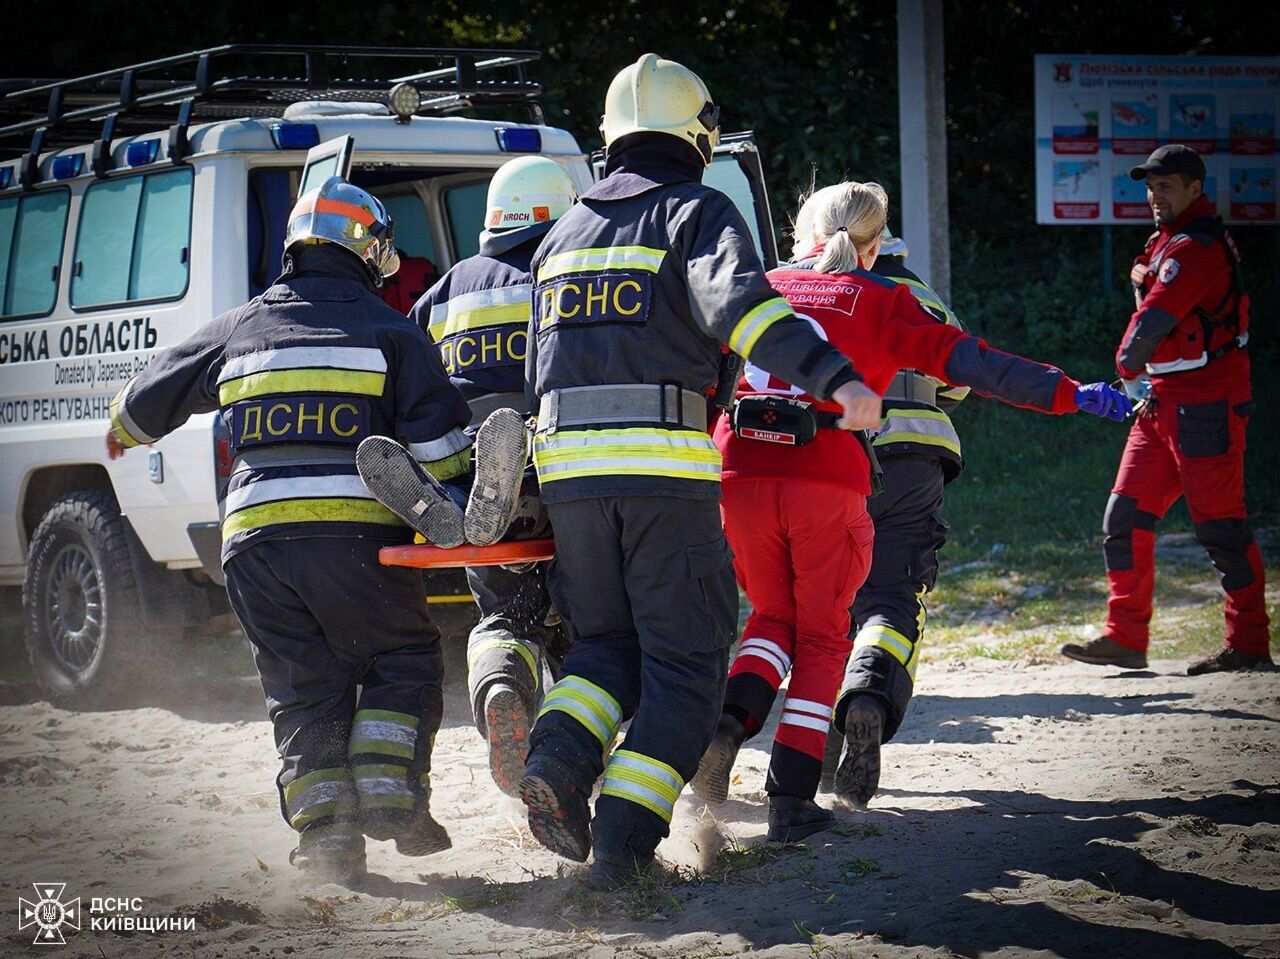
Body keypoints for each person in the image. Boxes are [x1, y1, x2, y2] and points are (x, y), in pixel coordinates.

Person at [518, 54, 883, 889]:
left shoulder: (562, 232)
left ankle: (559, 757)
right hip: (660, 472)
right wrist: (835, 377)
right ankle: (620, 847)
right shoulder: (696, 210)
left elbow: (537, 366)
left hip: (568, 475)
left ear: (610, 138)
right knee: (686, 665)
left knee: (606, 646)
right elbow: (743, 310)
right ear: (699, 133)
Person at [690, 181, 1131, 833]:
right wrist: (1073, 394)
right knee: (820, 635)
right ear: (873, 246)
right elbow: (977, 366)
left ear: (802, 237)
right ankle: (790, 799)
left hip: (740, 474)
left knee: (771, 616)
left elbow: (702, 367)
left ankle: (727, 726)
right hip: (826, 478)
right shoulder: (881, 300)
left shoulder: (759, 285)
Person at [106, 177, 470, 883]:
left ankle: (329, 843)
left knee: (303, 688)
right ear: (372, 250)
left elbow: (147, 400)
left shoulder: (240, 326)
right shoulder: (393, 332)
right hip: (355, 541)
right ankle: (391, 789)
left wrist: (122, 430)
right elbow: (442, 456)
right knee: (400, 657)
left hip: (252, 546)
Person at [361, 156, 577, 797]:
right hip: (555, 477)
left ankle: (499, 688)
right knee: (579, 620)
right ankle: (564, 756)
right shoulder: (557, 276)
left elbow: (410, 368)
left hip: (471, 483)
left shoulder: (448, 288)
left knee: (499, 617)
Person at [1061, 144, 1273, 674]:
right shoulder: (1169, 241)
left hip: (1206, 405)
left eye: (1168, 186)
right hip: (1162, 403)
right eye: (1151, 187)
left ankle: (1248, 642)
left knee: (1221, 528)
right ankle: (1125, 638)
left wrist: (1126, 367)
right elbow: (1149, 287)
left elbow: (1152, 321)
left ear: (1195, 189)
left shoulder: (1194, 248)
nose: (1156, 196)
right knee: (1125, 518)